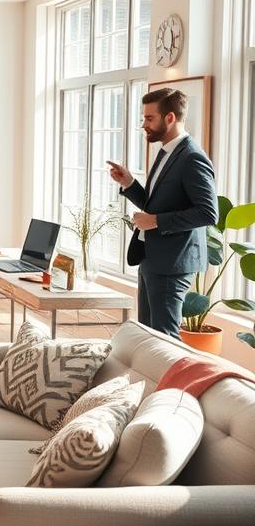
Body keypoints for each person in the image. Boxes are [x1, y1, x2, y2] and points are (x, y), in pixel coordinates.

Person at [108, 88, 218, 339]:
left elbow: (208, 212)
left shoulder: (192, 158)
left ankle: (172, 381)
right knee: (148, 336)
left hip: (172, 263)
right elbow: (154, 203)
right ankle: (151, 380)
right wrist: (129, 183)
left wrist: (156, 221)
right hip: (151, 258)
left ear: (169, 118)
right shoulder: (166, 152)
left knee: (164, 339)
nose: (143, 124)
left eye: (149, 118)